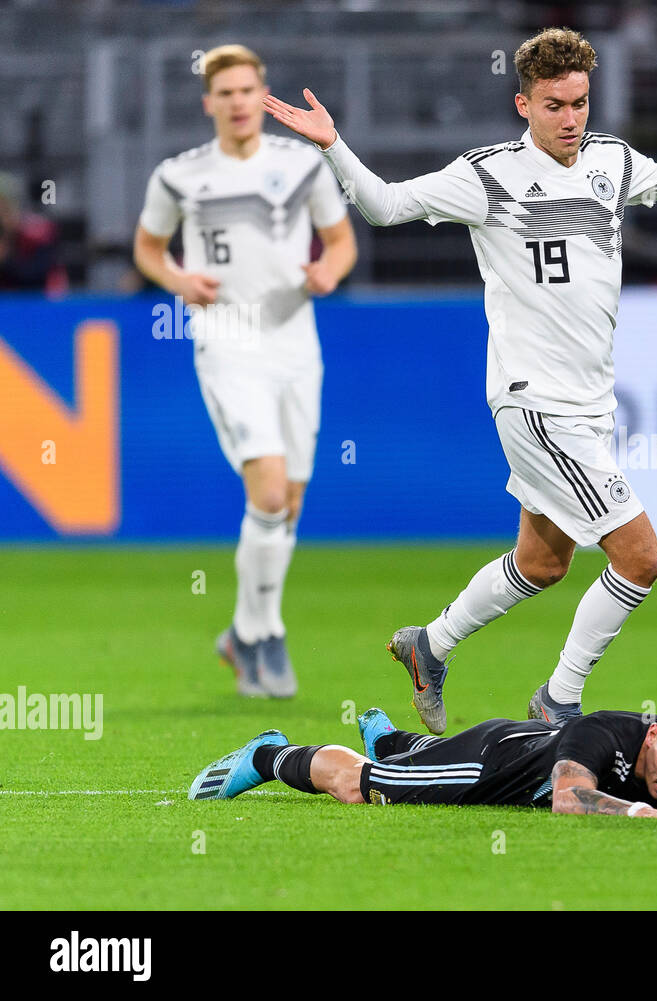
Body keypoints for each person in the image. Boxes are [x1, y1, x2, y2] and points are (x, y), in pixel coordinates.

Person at [261, 27, 657, 729]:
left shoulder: (613, 163)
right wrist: (332, 145)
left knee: (542, 562)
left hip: (590, 402)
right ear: (523, 104)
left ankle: (429, 645)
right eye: (555, 104)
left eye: (581, 102)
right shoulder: (486, 175)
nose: (571, 119)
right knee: (641, 557)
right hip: (534, 401)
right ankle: (559, 699)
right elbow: (383, 205)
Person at [134, 44, 357, 697]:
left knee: (288, 501)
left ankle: (242, 630)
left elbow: (341, 240)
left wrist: (329, 272)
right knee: (265, 491)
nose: (236, 102)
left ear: (262, 96)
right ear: (208, 102)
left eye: (246, 90)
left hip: (295, 340)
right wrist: (178, 278)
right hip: (227, 340)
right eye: (224, 92)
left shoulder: (300, 166)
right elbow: (148, 248)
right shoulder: (179, 176)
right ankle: (265, 634)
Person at [188, 691, 657, 818]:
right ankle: (275, 753)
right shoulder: (604, 735)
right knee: (360, 787)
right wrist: (634, 811)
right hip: (495, 763)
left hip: (516, 742)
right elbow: (567, 796)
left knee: (409, 757)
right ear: (653, 734)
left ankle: (395, 739)